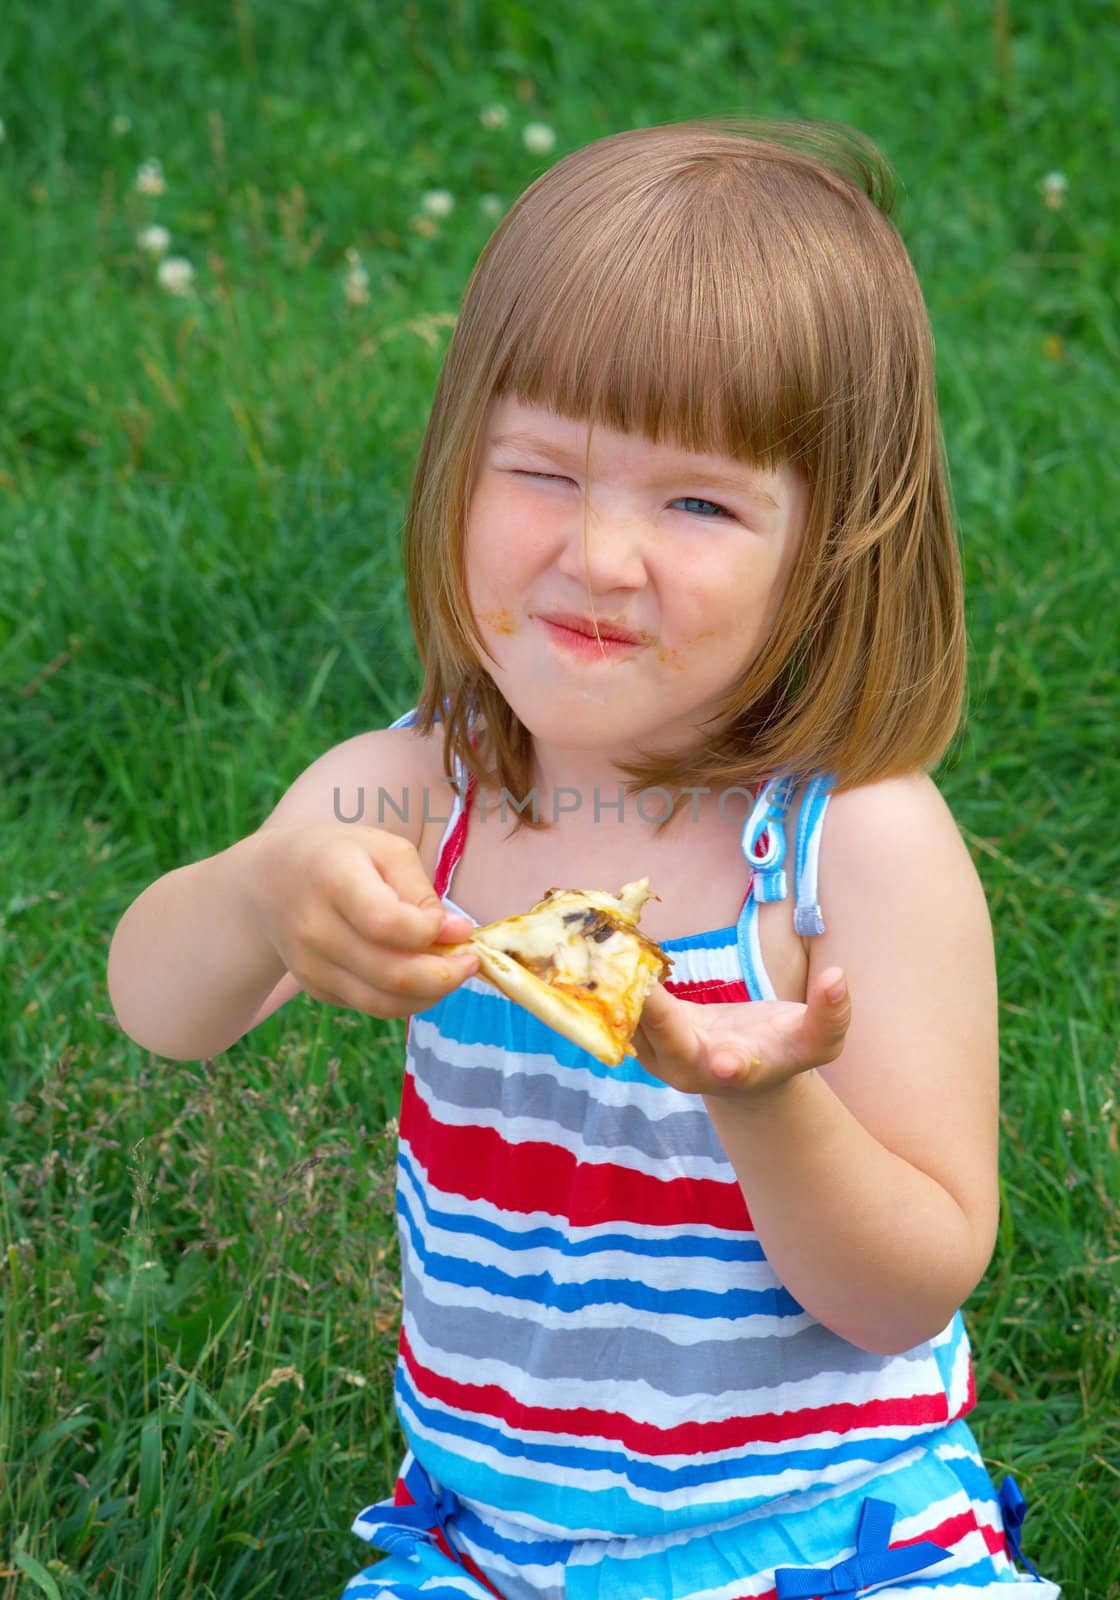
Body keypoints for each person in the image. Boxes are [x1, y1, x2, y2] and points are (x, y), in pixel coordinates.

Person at [107, 120, 1057, 1599]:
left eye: (696, 503)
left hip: (825, 1533)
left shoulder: (849, 847)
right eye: (545, 469)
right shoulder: (421, 792)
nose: (601, 556)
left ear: (830, 550)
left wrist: (768, 1105)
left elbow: (908, 1285)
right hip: (490, 1542)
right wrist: (257, 897)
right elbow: (155, 1010)